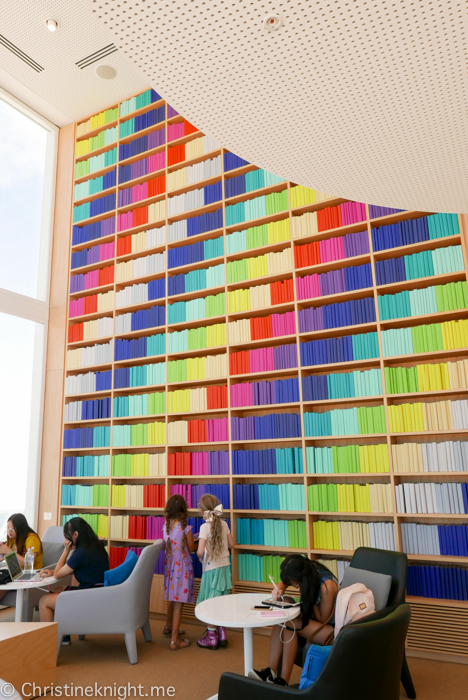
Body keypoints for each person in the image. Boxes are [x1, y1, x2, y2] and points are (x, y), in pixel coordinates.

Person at [249, 554, 339, 686]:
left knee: (289, 621)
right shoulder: (307, 570)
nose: (294, 586)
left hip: (331, 631)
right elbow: (283, 584)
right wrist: (277, 590)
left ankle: (283, 680)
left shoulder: (326, 586)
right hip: (314, 621)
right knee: (283, 612)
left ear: (301, 578)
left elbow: (322, 619)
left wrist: (308, 594)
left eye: (295, 583)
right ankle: (271, 672)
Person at [38, 517, 109, 645]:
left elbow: (59, 575)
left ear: (75, 534)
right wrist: (53, 572)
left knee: (44, 601)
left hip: (88, 597)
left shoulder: (80, 553)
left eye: (67, 536)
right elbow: (80, 568)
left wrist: (65, 551)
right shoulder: (97, 547)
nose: (66, 540)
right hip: (99, 593)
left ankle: (49, 643)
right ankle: (64, 635)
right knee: (57, 590)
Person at [195, 493, 234, 650]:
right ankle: (222, 631)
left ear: (202, 511)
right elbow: (231, 544)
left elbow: (200, 551)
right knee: (222, 599)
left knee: (211, 601)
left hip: (211, 569)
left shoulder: (204, 527)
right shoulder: (224, 524)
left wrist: (200, 555)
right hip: (225, 567)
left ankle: (211, 636)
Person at [162, 494, 197, 650]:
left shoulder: (165, 528)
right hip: (182, 571)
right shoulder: (185, 529)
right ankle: (175, 641)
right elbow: (191, 548)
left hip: (171, 570)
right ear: (184, 510)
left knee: (172, 599)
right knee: (179, 605)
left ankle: (169, 627)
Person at [0, 514, 43, 602]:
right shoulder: (12, 538)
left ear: (20, 527)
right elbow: (6, 557)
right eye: (7, 528)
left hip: (29, 574)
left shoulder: (31, 539)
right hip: (15, 572)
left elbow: (29, 562)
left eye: (12, 528)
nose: (9, 531)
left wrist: (9, 552)